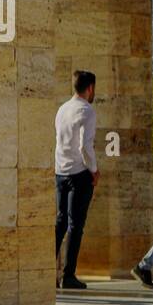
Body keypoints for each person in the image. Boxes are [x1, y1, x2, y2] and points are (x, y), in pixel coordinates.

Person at [54, 71, 98, 290]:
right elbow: (85, 146)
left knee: (60, 222)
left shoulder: (62, 109)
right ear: (90, 88)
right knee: (75, 225)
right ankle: (68, 275)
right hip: (79, 174)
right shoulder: (87, 111)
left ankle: (47, 271)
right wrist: (94, 170)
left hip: (60, 172)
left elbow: (60, 142)